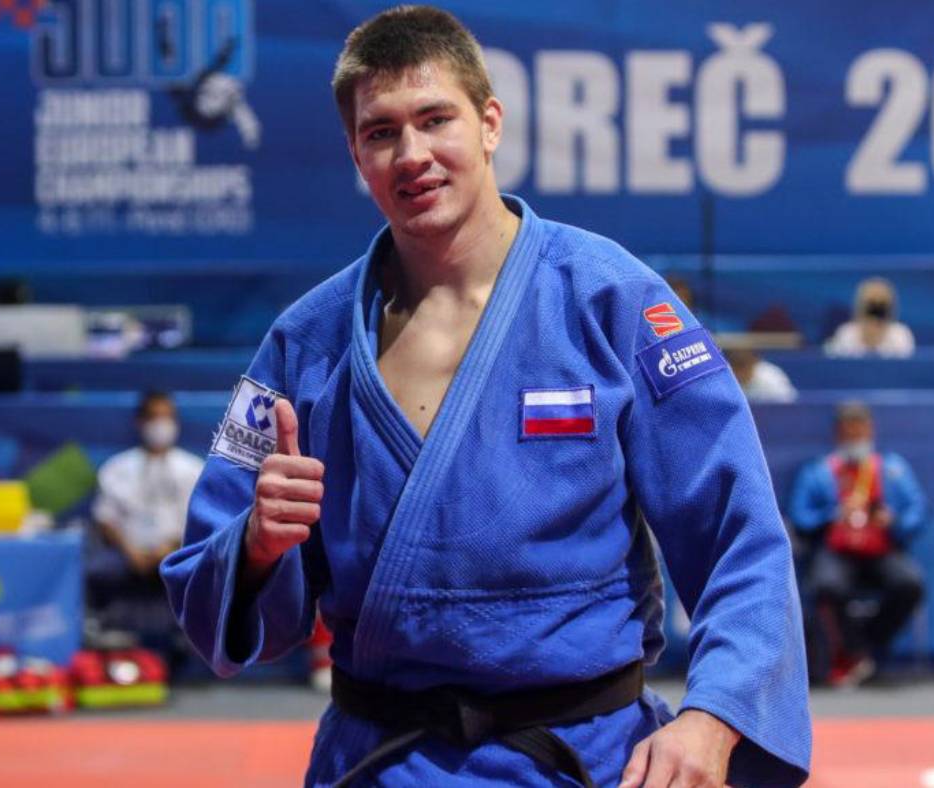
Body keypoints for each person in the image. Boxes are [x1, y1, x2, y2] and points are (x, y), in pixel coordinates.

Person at [161, 7, 809, 788]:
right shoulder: (304, 343)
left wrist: (715, 715)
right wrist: (258, 546)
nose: (412, 155)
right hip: (383, 764)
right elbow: (204, 581)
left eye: (436, 119)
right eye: (381, 132)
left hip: (585, 761)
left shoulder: (615, 302)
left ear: (490, 123)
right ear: (356, 155)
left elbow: (742, 535)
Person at [788, 401, 925, 688]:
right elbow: (800, 515)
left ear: (870, 431)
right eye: (848, 432)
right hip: (836, 548)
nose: (855, 438)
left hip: (881, 547)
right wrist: (832, 515)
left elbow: (917, 512)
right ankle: (853, 652)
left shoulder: (892, 468)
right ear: (838, 434)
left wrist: (893, 520)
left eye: (860, 431)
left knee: (910, 584)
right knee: (826, 585)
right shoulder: (818, 471)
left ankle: (865, 648)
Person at [89, 391, 204, 645]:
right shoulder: (116, 467)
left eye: (167, 417)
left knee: (203, 565)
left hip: (177, 551)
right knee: (99, 567)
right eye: (154, 417)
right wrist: (130, 551)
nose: (161, 425)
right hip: (127, 553)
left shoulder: (194, 468)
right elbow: (104, 518)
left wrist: (170, 548)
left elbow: (200, 520)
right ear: (140, 422)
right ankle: (105, 634)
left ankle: (188, 640)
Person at [824, 277, 915, 358]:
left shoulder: (900, 335)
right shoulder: (846, 334)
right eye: (871, 305)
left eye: (881, 306)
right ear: (860, 306)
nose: (875, 312)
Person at [725, 347, 797, 403]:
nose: (740, 372)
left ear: (753, 361)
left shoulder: (770, 378)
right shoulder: (724, 380)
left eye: (743, 365)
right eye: (736, 366)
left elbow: (790, 407)